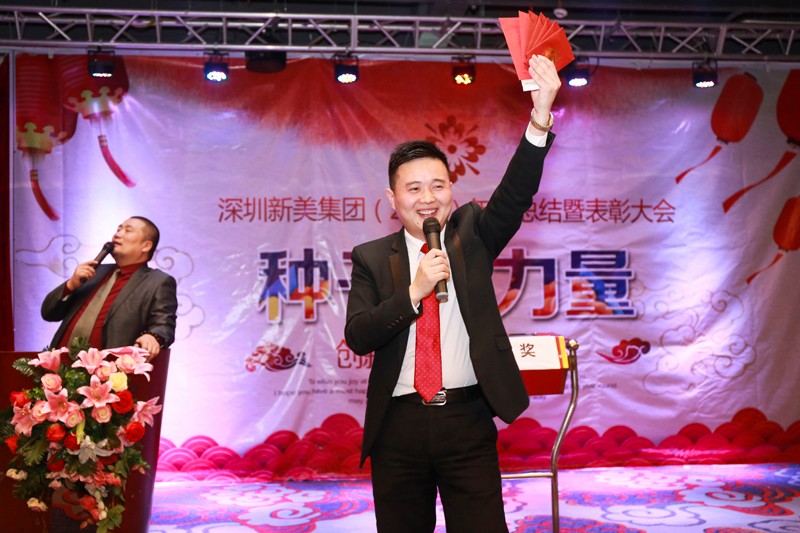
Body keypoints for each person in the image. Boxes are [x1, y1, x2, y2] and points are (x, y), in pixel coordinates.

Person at [344, 55, 561, 533]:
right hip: (397, 426)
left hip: (467, 419)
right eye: (414, 188)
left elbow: (515, 194)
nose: (427, 198)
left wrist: (540, 116)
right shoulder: (371, 257)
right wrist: (414, 292)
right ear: (392, 199)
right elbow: (358, 335)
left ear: (451, 190)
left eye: (437, 185)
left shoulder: (472, 237)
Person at [41, 216, 177, 359]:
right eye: (118, 229)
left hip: (108, 369)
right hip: (59, 365)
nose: (117, 234)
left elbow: (164, 324)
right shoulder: (94, 272)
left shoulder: (157, 282)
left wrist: (153, 336)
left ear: (146, 246)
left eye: (127, 231)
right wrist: (71, 285)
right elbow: (49, 313)